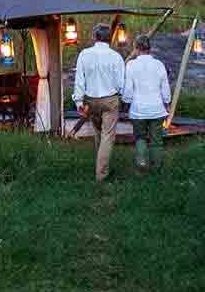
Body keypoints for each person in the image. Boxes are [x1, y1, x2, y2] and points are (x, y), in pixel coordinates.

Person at [72, 23, 125, 182]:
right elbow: (121, 83)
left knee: (98, 133)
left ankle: (100, 165)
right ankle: (101, 174)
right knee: (107, 136)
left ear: (94, 37)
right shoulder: (116, 57)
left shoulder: (84, 54)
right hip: (110, 100)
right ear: (110, 38)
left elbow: (79, 80)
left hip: (90, 100)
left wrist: (79, 101)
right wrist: (122, 97)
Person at [122, 35, 172, 173]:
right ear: (150, 48)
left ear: (136, 48)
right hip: (157, 109)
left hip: (138, 110)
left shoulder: (131, 65)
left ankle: (142, 162)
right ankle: (157, 168)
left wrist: (126, 102)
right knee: (157, 141)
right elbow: (165, 89)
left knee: (140, 137)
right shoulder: (159, 64)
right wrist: (167, 103)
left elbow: (128, 90)